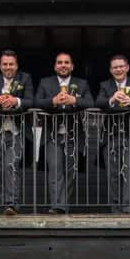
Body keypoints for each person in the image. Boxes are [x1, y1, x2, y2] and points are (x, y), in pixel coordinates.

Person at [35, 53, 93, 214]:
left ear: (72, 66)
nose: (63, 65)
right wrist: (52, 101)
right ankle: (57, 206)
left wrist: (75, 101)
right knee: (55, 169)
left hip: (73, 135)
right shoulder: (45, 83)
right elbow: (37, 102)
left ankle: (62, 205)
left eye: (66, 62)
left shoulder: (81, 83)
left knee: (70, 171)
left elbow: (90, 102)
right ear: (55, 66)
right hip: (52, 134)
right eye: (59, 62)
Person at [0, 50, 34, 216]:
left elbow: (31, 100)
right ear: (0, 65)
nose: (8, 67)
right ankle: (5, 203)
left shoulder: (25, 79)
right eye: (5, 64)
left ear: (16, 66)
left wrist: (15, 101)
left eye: (11, 64)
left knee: (11, 165)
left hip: (17, 132)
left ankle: (12, 203)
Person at [95, 54, 130, 213]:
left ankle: (128, 207)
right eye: (114, 67)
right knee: (112, 174)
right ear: (111, 70)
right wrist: (112, 99)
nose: (118, 69)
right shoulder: (105, 85)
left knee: (129, 171)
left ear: (127, 67)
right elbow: (98, 102)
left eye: (121, 66)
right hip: (110, 137)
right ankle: (115, 208)